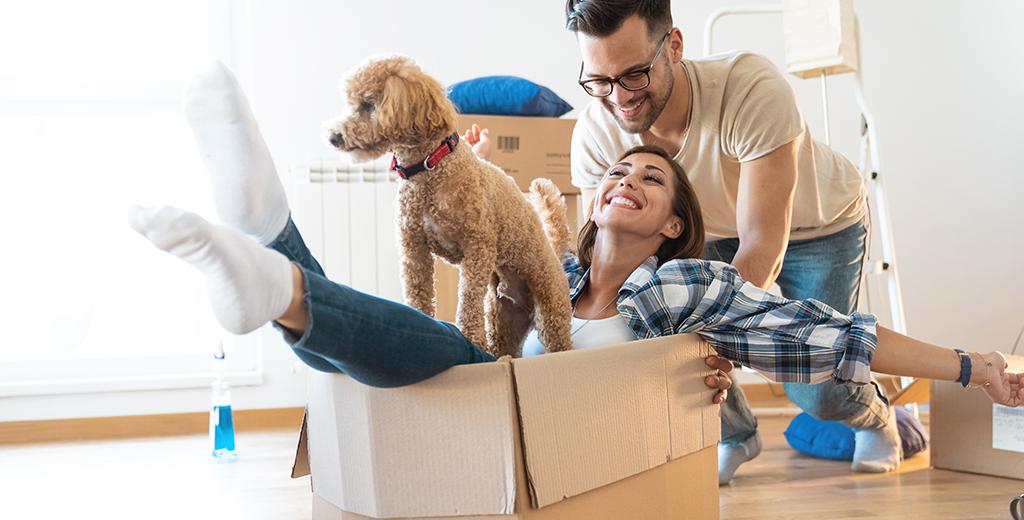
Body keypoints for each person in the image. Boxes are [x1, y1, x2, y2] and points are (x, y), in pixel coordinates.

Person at [127, 63, 1021, 463]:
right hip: (470, 408)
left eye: (652, 179)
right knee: (420, 349)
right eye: (619, 171)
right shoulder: (549, 263)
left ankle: (277, 261)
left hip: (528, 425)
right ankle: (271, 246)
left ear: (676, 225)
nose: (627, 178)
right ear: (594, 199)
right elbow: (478, 230)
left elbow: (829, 333)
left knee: (456, 359)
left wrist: (973, 367)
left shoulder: (682, 286)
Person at [564, 0, 888, 481]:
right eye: (599, 81)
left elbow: (761, 240)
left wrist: (724, 343)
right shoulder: (596, 130)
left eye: (633, 75)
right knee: (657, 329)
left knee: (812, 388)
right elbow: (605, 253)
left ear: (673, 46)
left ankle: (877, 417)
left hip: (816, 226)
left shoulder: (749, 88)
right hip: (704, 230)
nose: (618, 98)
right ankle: (737, 434)